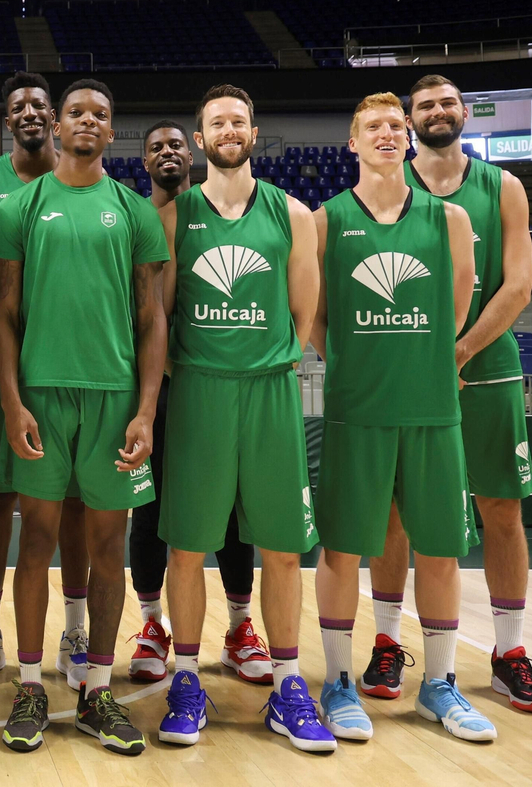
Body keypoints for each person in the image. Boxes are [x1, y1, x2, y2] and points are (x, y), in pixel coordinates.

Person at [153, 87, 334, 752]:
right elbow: (162, 313)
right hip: (199, 391)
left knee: (284, 549)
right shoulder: (177, 214)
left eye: (238, 120)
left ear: (254, 131)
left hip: (269, 391)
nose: (228, 130)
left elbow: (303, 313)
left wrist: (261, 358)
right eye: (215, 123)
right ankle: (185, 679)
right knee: (186, 549)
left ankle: (288, 684)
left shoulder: (291, 213)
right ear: (199, 141)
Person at [311, 92, 494, 743]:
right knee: (340, 550)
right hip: (357, 408)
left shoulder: (447, 217)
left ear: (411, 137)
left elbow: (458, 303)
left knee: (440, 548)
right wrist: (351, 359)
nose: (388, 133)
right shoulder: (325, 219)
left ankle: (437, 685)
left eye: (397, 124)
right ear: (352, 141)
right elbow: (314, 312)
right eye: (374, 126)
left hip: (432, 407)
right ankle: (337, 681)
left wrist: (424, 361)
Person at [364, 74, 532, 712]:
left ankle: (509, 652)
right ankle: (387, 645)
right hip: (407, 377)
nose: (437, 112)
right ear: (409, 120)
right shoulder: (390, 185)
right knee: (393, 517)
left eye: (447, 102)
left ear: (464, 113)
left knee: (502, 511)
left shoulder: (505, 187)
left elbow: (518, 285)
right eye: (424, 105)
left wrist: (460, 351)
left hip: (486, 369)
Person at [0, 79, 165, 756]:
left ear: (110, 131)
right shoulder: (23, 204)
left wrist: (146, 409)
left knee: (106, 547)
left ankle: (97, 689)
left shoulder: (133, 209)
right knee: (34, 539)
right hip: (42, 392)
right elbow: (4, 311)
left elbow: (151, 318)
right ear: (57, 127)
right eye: (76, 112)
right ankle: (31, 684)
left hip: (114, 397)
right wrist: (10, 400)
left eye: (100, 112)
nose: (87, 120)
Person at [0, 71, 93, 693]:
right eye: (19, 107)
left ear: (56, 119)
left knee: (74, 502)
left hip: (77, 364)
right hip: (11, 359)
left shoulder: (86, 182)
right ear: (7, 120)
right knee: (3, 497)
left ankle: (75, 627)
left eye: (41, 103)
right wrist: (4, 325)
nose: (31, 112)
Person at [128, 120, 264, 685]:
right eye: (155, 146)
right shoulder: (138, 221)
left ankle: (238, 627)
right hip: (156, 391)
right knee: (152, 509)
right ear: (144, 161)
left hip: (221, 388)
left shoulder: (228, 214)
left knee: (234, 508)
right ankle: (153, 625)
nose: (167, 152)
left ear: (195, 152)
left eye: (176, 144)